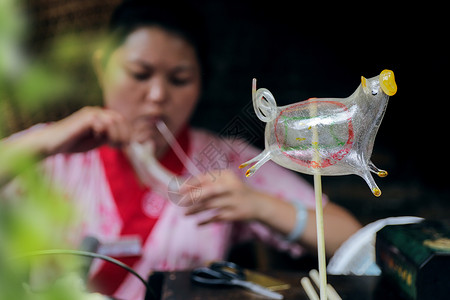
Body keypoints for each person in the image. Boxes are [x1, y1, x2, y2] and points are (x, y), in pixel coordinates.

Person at [0, 1, 361, 299]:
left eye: (179, 79)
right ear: (102, 67)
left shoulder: (228, 161)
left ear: (201, 83)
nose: (157, 96)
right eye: (139, 74)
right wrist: (43, 144)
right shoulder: (55, 152)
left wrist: (259, 205)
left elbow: (351, 237)